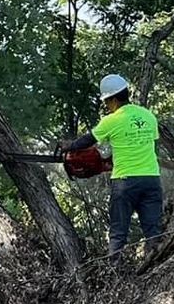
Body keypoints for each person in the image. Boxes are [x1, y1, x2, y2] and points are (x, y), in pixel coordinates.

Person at [63, 74, 163, 257]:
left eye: (107, 102)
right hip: (152, 180)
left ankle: (115, 272)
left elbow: (87, 140)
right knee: (153, 232)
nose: (107, 106)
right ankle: (155, 267)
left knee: (118, 232)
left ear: (114, 99)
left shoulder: (112, 120)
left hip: (125, 182)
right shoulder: (148, 116)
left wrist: (68, 146)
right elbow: (146, 145)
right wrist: (109, 159)